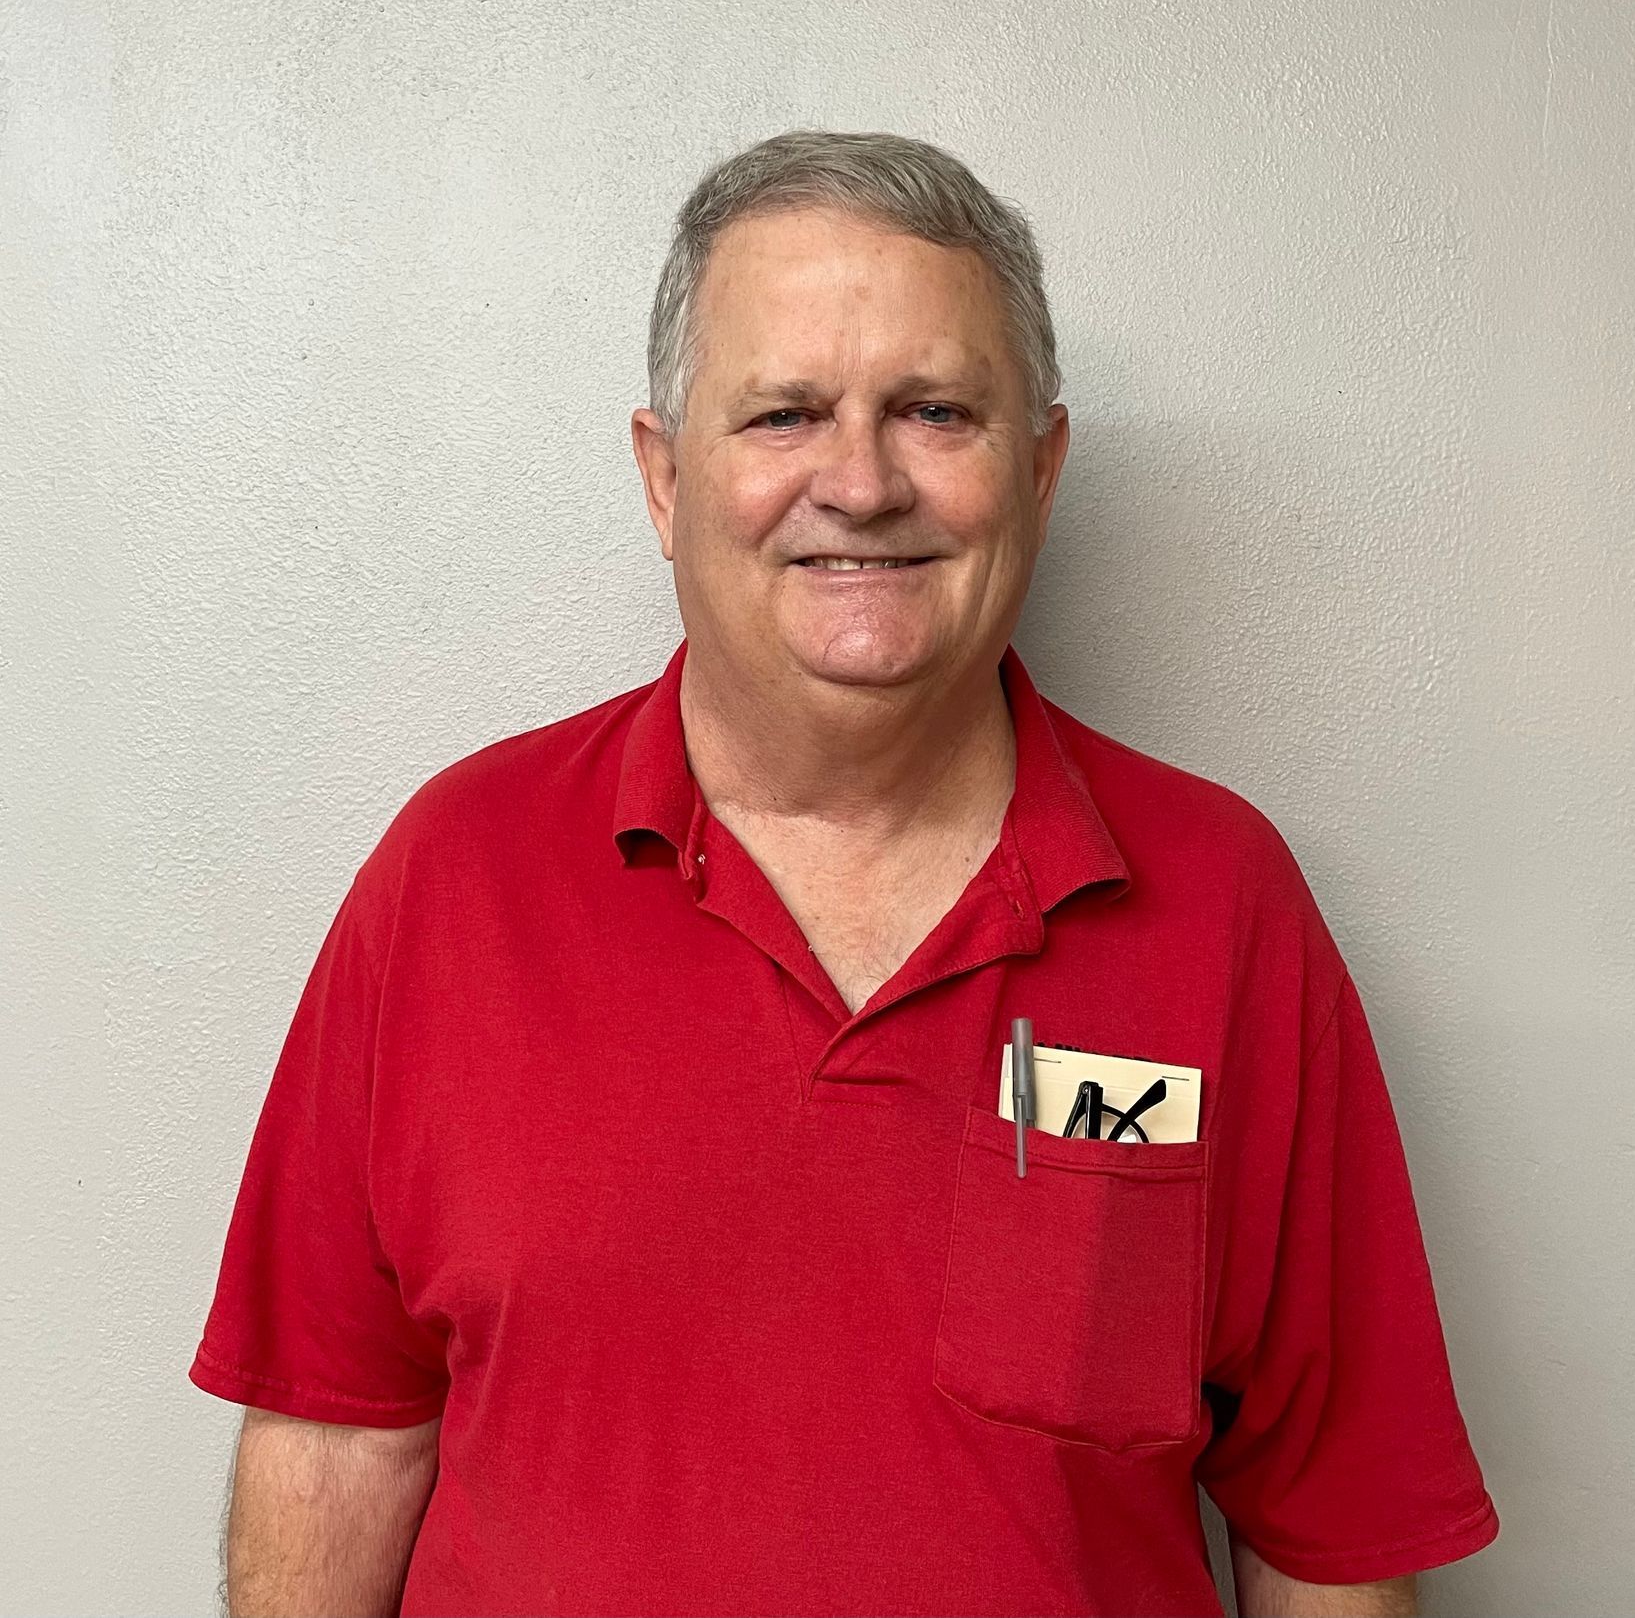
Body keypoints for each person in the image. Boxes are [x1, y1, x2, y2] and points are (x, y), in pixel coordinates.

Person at [189, 129, 1498, 1618]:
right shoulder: (453, 878)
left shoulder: (1224, 906)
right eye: (785, 415)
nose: (861, 483)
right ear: (666, 478)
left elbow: (1330, 1539)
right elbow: (331, 1452)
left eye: (935, 410)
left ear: (1042, 466)